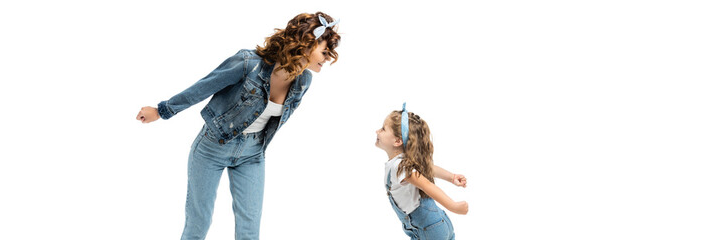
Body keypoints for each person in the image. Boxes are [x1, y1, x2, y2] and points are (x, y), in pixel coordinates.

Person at [136, 12, 340, 240]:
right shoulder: (248, 63)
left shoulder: (304, 81)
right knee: (198, 224)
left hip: (252, 154)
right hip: (212, 147)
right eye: (325, 51)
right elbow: (202, 87)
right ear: (305, 44)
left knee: (249, 230)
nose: (328, 58)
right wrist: (162, 111)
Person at [375, 103, 469, 240]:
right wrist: (451, 177)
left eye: (383, 129)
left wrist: (454, 206)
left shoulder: (398, 166)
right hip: (437, 224)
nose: (377, 131)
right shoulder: (403, 161)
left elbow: (427, 185)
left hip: (428, 230)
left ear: (397, 141)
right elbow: (428, 168)